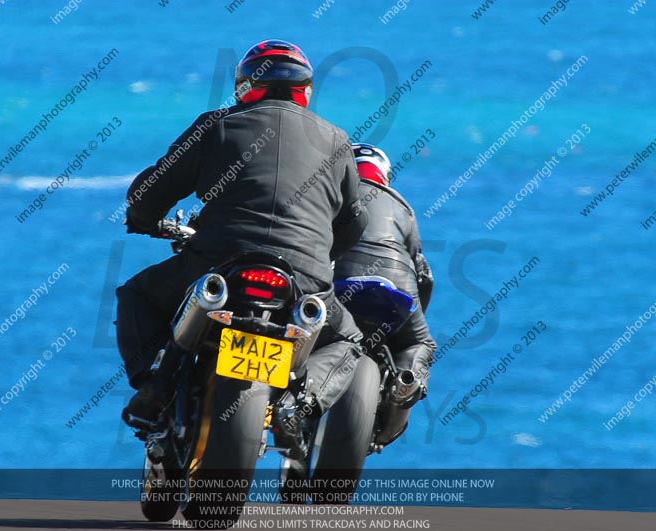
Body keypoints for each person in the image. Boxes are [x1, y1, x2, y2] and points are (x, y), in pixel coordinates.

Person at [116, 40, 368, 458]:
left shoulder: (216, 126)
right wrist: (319, 256)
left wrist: (143, 222)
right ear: (304, 92)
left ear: (247, 86)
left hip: (218, 260)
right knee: (348, 340)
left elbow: (148, 193)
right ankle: (301, 405)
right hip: (303, 277)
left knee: (138, 293)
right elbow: (353, 224)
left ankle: (153, 387)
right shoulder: (338, 141)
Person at [334, 143, 436, 402]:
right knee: (421, 344)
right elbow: (423, 275)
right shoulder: (403, 207)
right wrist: (413, 315)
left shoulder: (332, 192)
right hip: (396, 284)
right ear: (385, 175)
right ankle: (406, 381)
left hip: (338, 278)